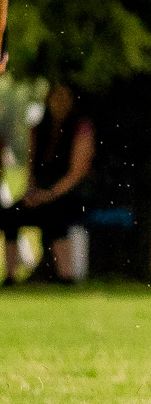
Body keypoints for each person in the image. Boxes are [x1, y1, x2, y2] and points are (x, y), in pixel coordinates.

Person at [0, 85, 92, 284]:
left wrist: (49, 195)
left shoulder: (80, 128)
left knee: (56, 216)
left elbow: (77, 173)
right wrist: (32, 193)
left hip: (70, 195)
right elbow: (32, 169)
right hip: (41, 194)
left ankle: (65, 276)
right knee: (9, 217)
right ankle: (11, 276)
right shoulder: (38, 130)